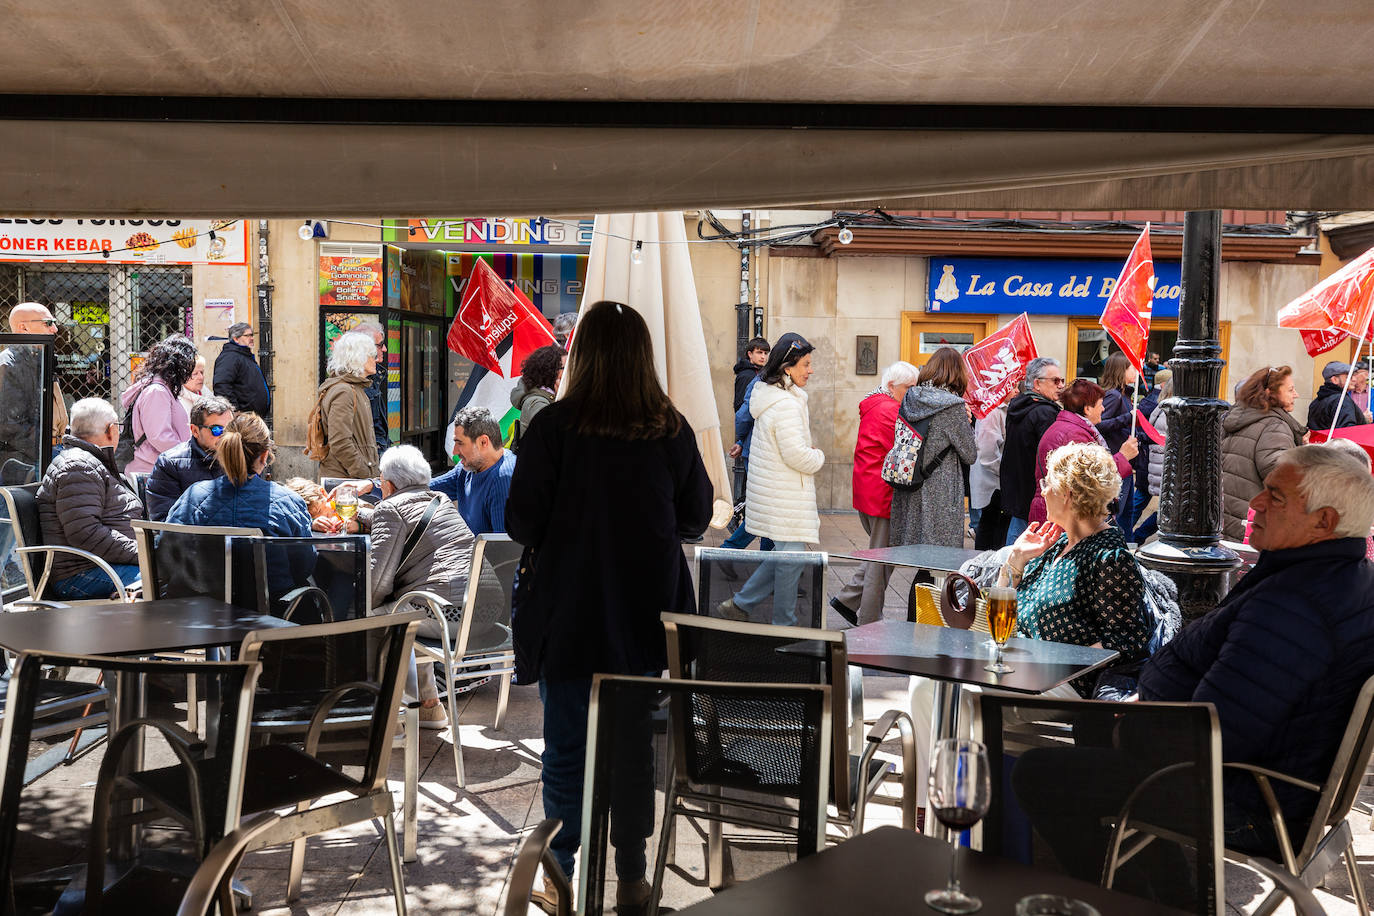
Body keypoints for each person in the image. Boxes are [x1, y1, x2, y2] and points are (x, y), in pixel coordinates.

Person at [1016, 446, 1374, 894]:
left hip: (1248, 801)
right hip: (1265, 783)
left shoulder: (1296, 604)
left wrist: (1133, 720)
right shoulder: (1333, 577)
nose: (1255, 504)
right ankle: (1174, 895)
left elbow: (1215, 730)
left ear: (1324, 521)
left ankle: (1117, 900)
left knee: (1038, 772)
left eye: (1275, 498)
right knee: (1093, 726)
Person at [506, 300, 711, 914]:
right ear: (642, 358)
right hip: (645, 622)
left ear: (583, 356)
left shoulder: (551, 429)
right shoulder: (670, 430)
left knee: (565, 749)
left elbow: (520, 521)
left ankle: (561, 877)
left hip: (568, 616)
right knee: (631, 751)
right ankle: (631, 878)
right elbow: (698, 517)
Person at [1001, 442, 1153, 694]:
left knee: (960, 693)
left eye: (1047, 483)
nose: (1043, 491)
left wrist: (1055, 665)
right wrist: (1016, 558)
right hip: (1016, 669)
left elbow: (1127, 641)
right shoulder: (1056, 543)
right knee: (932, 686)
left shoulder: (1109, 557)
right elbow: (999, 609)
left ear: (1067, 493)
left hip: (1059, 684)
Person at [363, 444, 476, 729]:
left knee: (372, 618)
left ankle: (385, 718)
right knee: (411, 604)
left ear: (387, 484)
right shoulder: (440, 499)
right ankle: (429, 705)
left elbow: (377, 583)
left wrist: (356, 607)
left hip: (443, 616)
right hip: (480, 615)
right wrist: (367, 519)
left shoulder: (390, 508)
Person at [717, 333, 825, 626]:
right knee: (791, 560)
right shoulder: (786, 404)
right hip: (785, 495)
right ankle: (784, 624)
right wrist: (817, 457)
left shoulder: (774, 396)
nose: (810, 370)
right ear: (788, 367)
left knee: (786, 556)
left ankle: (741, 604)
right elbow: (797, 456)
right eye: (806, 364)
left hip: (777, 492)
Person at [830, 361, 920, 626]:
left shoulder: (876, 404)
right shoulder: (891, 409)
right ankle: (870, 620)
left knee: (881, 553)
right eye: (909, 388)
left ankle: (847, 600)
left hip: (870, 488)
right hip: (883, 492)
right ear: (892, 386)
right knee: (883, 559)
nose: (912, 393)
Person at [35, 398, 144, 599]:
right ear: (111, 430)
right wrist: (143, 552)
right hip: (82, 573)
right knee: (165, 580)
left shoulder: (89, 462)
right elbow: (85, 533)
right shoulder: (79, 466)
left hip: (103, 564)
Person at [165, 412, 312, 537]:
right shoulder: (289, 502)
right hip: (269, 572)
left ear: (223, 451)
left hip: (207, 571)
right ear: (264, 456)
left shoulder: (193, 497)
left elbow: (167, 548)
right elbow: (305, 561)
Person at [888, 347, 977, 552]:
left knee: (921, 557)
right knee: (938, 561)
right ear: (957, 374)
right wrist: (967, 423)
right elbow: (970, 454)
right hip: (942, 492)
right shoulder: (954, 407)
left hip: (911, 484)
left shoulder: (911, 397)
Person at [1028, 379, 1138, 524]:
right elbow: (1090, 480)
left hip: (1060, 511)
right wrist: (1123, 456)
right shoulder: (1074, 434)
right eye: (1100, 405)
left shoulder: (1071, 427)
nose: (1103, 409)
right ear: (1087, 409)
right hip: (1064, 516)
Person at [1221, 365, 1305, 542]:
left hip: (1227, 519)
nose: (1296, 394)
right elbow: (1283, 479)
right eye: (1290, 390)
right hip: (1252, 526)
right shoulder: (1274, 426)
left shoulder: (1235, 418)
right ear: (1270, 393)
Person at [1000, 357, 1065, 544]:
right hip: (1034, 486)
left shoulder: (1020, 404)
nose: (1060, 385)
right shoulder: (1045, 412)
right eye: (1055, 381)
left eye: (1061, 380)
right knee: (1026, 540)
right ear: (1037, 384)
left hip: (1018, 484)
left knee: (1018, 534)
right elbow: (1051, 455)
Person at [0, 302, 68, 471]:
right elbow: (9, 425)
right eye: (48, 323)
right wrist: (47, 448)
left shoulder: (41, 358)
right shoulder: (8, 364)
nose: (55, 330)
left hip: (48, 452)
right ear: (23, 328)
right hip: (26, 461)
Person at [145, 395, 234, 521]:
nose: (225, 436)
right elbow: (165, 523)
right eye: (217, 430)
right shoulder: (170, 464)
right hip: (192, 538)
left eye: (230, 429)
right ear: (195, 430)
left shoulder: (242, 460)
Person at [430, 406, 517, 535]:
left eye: (460, 443)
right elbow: (427, 489)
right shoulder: (467, 468)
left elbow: (504, 550)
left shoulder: (504, 479)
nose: (454, 451)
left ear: (483, 442)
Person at [119, 334, 198, 473]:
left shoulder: (162, 389)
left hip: (159, 466)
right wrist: (186, 455)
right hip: (152, 469)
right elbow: (160, 437)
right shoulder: (157, 392)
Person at [315, 330, 381, 479]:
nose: (375, 360)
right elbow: (340, 441)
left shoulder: (355, 388)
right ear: (359, 358)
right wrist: (363, 473)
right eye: (372, 355)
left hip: (352, 479)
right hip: (346, 481)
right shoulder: (344, 391)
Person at [1095, 352, 1141, 534]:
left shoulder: (1123, 395)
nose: (1136, 371)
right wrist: (1127, 418)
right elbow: (1099, 425)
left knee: (1126, 514)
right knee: (1119, 515)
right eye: (1132, 367)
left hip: (1126, 462)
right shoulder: (1113, 396)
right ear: (1121, 370)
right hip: (1117, 461)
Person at [1135, 372, 1174, 542]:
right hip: (1163, 467)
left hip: (1153, 465)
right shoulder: (1169, 411)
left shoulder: (1159, 407)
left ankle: (1131, 535)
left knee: (1144, 500)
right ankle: (1137, 536)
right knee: (1169, 508)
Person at [971, 393, 1011, 550]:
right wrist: (1006, 473)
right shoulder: (993, 410)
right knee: (990, 526)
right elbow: (987, 453)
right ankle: (980, 569)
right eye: (1012, 386)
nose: (1016, 391)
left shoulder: (1003, 409)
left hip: (996, 480)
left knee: (993, 525)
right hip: (992, 482)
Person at [510, 344, 565, 451]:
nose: (570, 369)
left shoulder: (552, 392)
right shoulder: (535, 404)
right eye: (564, 367)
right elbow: (559, 438)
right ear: (550, 371)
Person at [211, 322, 270, 417]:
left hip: (252, 417)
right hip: (242, 416)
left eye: (252, 335)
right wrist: (234, 410)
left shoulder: (244, 356)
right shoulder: (230, 357)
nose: (252, 338)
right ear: (236, 339)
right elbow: (222, 385)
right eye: (247, 335)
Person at [352, 320, 391, 457]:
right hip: (364, 467)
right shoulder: (347, 388)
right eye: (380, 345)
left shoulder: (373, 377)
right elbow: (341, 442)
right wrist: (366, 467)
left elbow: (378, 431)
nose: (385, 349)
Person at [1306, 360, 1364, 432]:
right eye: (1348, 376)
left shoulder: (1316, 402)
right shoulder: (1342, 401)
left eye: (1353, 376)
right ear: (1334, 380)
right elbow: (1347, 432)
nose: (1354, 379)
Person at [732, 336, 770, 412]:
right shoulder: (746, 375)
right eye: (759, 352)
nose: (763, 357)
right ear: (750, 354)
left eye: (765, 353)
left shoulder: (761, 372)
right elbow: (740, 406)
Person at [177, 354, 211, 422]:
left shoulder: (204, 391)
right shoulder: (178, 401)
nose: (201, 377)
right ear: (183, 376)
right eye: (195, 374)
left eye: (202, 372)